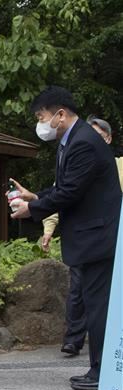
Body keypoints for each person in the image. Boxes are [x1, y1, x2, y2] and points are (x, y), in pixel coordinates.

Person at [10, 86, 122, 390]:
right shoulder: (73, 140)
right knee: (95, 303)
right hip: (92, 236)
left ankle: (103, 373)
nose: (41, 124)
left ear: (60, 114)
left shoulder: (83, 141)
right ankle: (102, 369)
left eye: (41, 116)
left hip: (97, 238)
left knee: (98, 306)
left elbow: (71, 191)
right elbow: (69, 187)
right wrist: (37, 197)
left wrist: (32, 207)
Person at [38, 115, 123, 357]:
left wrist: (34, 207)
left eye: (99, 135)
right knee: (79, 292)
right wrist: (47, 225)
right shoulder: (78, 154)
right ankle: (74, 341)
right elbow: (62, 192)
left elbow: (69, 193)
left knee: (99, 300)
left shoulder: (110, 161)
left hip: (102, 236)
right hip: (86, 237)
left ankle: (102, 367)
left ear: (107, 138)